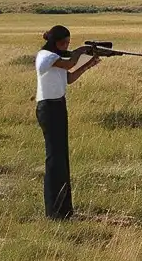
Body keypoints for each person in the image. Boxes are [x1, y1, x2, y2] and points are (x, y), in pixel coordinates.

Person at [34, 25, 104, 218]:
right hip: (48, 108)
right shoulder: (45, 56)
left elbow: (70, 77)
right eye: (63, 43)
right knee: (54, 159)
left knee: (62, 158)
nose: (66, 46)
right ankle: (54, 211)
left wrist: (88, 64)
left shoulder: (58, 58)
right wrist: (81, 51)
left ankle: (64, 209)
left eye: (68, 43)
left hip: (58, 106)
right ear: (53, 42)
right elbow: (68, 64)